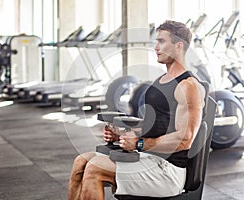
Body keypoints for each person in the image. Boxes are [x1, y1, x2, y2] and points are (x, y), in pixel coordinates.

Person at [67, 20, 206, 200]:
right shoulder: (162, 80)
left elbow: (184, 140)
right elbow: (154, 127)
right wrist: (122, 136)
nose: (155, 47)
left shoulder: (188, 86)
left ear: (179, 46)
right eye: (156, 41)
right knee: (81, 162)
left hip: (168, 171)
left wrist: (139, 144)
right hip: (149, 159)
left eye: (162, 42)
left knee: (95, 168)